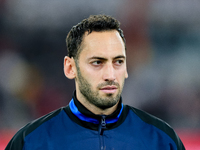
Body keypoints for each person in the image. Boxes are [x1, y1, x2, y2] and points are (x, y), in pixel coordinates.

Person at [5, 14, 185, 150]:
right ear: (70, 68)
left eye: (118, 62)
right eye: (97, 62)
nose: (110, 75)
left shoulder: (162, 140)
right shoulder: (30, 142)